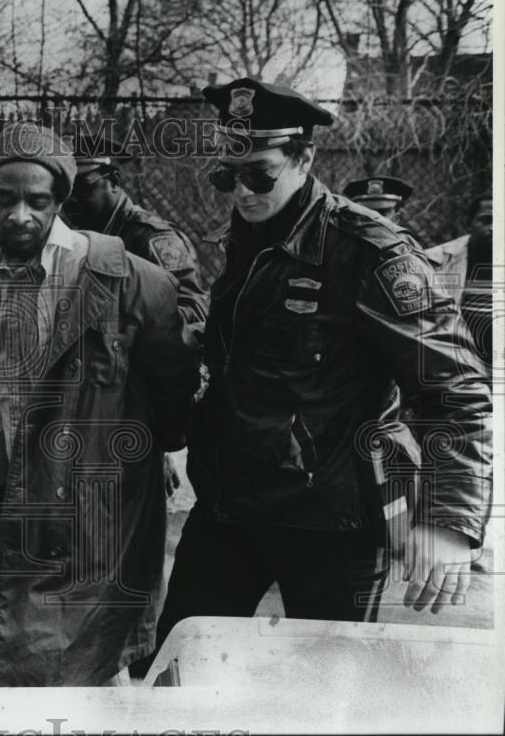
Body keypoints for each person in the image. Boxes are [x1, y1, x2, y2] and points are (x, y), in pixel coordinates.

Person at [148, 78, 491, 663]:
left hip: (332, 524)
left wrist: (448, 522)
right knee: (180, 664)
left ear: (304, 157)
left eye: (259, 174)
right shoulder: (247, 237)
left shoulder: (371, 253)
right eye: (228, 177)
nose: (242, 193)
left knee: (322, 691)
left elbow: (456, 389)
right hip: (231, 506)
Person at [0, 122, 199, 686]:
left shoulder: (129, 279)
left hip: (98, 504)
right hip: (20, 491)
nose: (19, 215)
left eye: (37, 201)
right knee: (46, 652)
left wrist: (158, 450)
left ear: (60, 201)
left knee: (81, 650)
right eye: (5, 200)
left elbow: (175, 382)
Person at [65, 137, 208, 330]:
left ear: (114, 182)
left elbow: (194, 307)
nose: (71, 199)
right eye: (65, 190)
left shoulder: (150, 238)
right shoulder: (75, 239)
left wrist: (132, 325)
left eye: (83, 187)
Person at [426, 191, 493, 368]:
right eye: (487, 220)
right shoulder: (435, 260)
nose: (494, 228)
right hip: (455, 363)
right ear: (468, 223)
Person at [342, 175, 414, 222]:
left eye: (382, 213)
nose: (374, 218)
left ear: (395, 219)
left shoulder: (405, 245)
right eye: (366, 213)